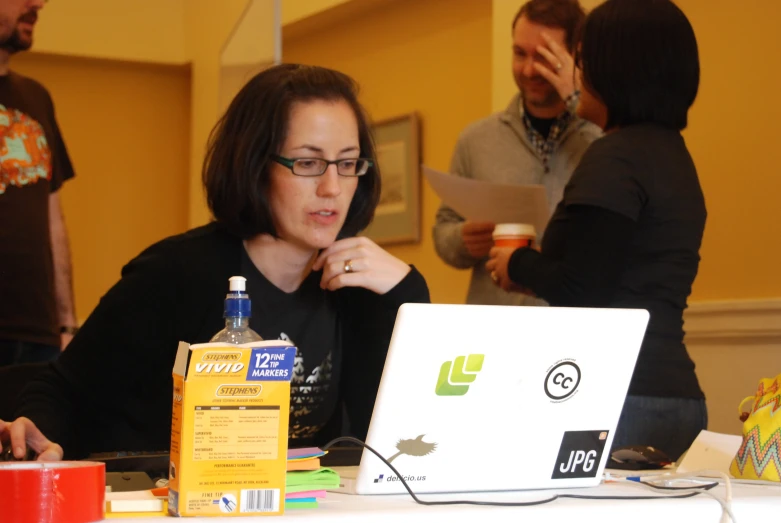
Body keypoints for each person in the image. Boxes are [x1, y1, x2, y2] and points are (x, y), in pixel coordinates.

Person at [0, 64, 430, 461]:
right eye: (308, 162)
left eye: (348, 163)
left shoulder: (358, 287)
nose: (333, 187)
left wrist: (407, 293)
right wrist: (36, 435)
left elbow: (397, 442)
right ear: (256, 164)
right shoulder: (178, 271)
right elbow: (61, 389)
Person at [487, 0, 706, 460]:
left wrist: (517, 261)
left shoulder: (615, 157)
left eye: (584, 61)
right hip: (676, 395)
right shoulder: (675, 157)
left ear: (615, 70)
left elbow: (582, 288)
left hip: (616, 394)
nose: (578, 75)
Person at [433, 0, 600, 306]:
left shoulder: (601, 140)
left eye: (544, 56)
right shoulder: (476, 138)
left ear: (575, 57)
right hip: (494, 329)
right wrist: (462, 238)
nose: (528, 69)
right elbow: (443, 229)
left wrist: (579, 97)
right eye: (520, 53)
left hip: (574, 328)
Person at [0, 0, 78, 366]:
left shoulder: (37, 98)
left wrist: (66, 326)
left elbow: (53, 219)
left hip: (37, 337)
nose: (38, 3)